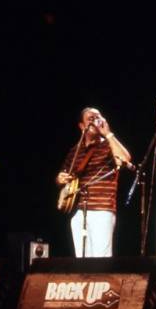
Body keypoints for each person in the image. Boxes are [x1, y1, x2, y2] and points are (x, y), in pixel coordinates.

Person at [56, 107, 131, 257]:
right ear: (82, 126)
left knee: (100, 261)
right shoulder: (75, 151)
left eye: (98, 117)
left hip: (102, 210)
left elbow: (125, 159)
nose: (95, 121)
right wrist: (60, 178)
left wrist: (108, 134)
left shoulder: (108, 145)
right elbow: (63, 176)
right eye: (90, 119)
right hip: (78, 210)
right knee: (81, 260)